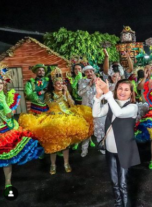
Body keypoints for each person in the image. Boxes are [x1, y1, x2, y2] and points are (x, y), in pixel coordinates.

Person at [19, 67, 93, 174]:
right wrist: (61, 95)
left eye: (61, 83)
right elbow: (51, 104)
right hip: (53, 118)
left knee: (66, 144)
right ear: (53, 85)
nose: (60, 85)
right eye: (58, 84)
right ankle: (53, 165)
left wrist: (66, 93)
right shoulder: (49, 94)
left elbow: (72, 104)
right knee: (52, 143)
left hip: (66, 118)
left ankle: (66, 163)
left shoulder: (65, 92)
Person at [93, 78, 140, 207]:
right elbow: (96, 113)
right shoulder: (110, 103)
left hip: (124, 150)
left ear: (131, 93)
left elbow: (118, 113)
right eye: (120, 88)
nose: (122, 92)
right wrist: (98, 95)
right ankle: (118, 204)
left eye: (126, 89)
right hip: (110, 150)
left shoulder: (132, 107)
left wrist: (106, 92)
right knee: (114, 182)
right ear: (116, 90)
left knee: (123, 184)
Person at [0, 67, 43, 188]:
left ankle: (8, 182)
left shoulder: (9, 96)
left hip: (5, 130)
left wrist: (3, 102)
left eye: (1, 83)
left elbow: (10, 114)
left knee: (6, 159)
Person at [77, 65, 104, 156]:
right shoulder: (81, 81)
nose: (89, 73)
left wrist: (97, 83)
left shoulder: (99, 81)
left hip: (97, 108)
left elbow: (104, 92)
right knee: (87, 130)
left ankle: (102, 147)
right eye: (87, 72)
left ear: (93, 72)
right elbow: (80, 93)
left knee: (100, 128)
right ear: (84, 73)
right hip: (86, 109)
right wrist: (89, 85)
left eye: (91, 71)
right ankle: (84, 149)